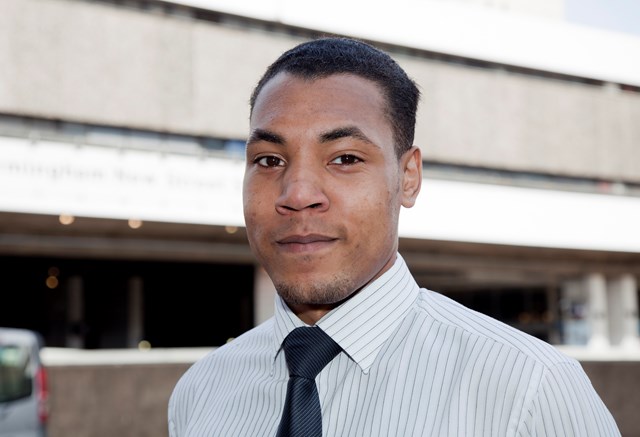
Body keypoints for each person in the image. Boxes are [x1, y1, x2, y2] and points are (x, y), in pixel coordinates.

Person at [168, 36, 620, 436]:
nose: (297, 194)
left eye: (344, 158)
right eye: (269, 160)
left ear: (408, 178)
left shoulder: (530, 389)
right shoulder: (200, 393)